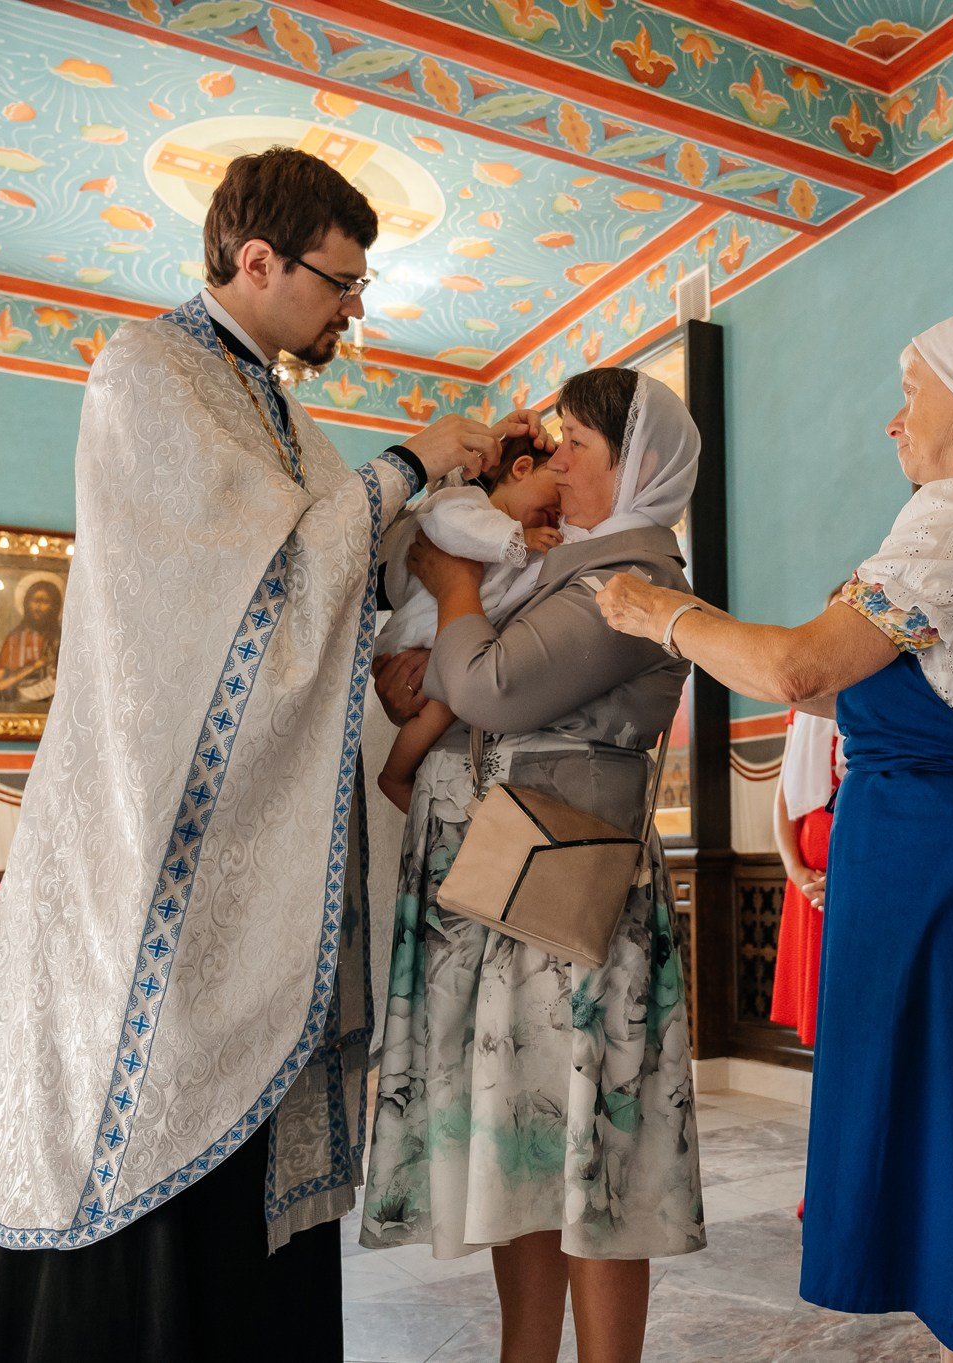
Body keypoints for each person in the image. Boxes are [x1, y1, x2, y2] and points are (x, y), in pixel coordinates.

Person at [0, 147, 551, 1363]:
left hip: (253, 862)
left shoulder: (283, 412)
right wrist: (410, 461)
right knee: (141, 1116)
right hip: (157, 849)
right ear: (255, 261)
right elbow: (253, 590)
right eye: (337, 280)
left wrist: (457, 519)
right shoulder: (146, 374)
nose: (352, 307)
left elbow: (337, 571)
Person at [596, 303, 953, 1363]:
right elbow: (902, 694)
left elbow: (800, 669)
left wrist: (659, 613)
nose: (895, 422)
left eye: (910, 393)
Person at [362, 366, 706, 1363]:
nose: (555, 460)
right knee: (521, 1142)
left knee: (589, 1151)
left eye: (578, 447)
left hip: (565, 894)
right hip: (502, 888)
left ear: (634, 464)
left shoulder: (634, 578)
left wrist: (456, 587)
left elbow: (492, 685)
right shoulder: (566, 563)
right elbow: (433, 662)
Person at [374, 436, 563, 813]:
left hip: (450, 644)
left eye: (562, 513)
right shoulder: (465, 504)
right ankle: (394, 776)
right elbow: (447, 526)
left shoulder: (523, 547)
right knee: (445, 704)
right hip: (419, 636)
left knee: (451, 703)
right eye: (555, 498)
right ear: (521, 468)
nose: (556, 514)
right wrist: (517, 539)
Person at [769, 702, 842, 1049]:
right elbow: (783, 800)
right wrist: (797, 873)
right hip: (810, 878)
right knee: (819, 1010)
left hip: (862, 864)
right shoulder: (801, 706)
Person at [0, 578, 61, 703]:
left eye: (45, 602)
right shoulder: (15, 639)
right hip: (16, 702)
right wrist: (33, 667)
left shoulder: (59, 639)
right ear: (26, 603)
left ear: (54, 606)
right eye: (35, 600)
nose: (38, 606)